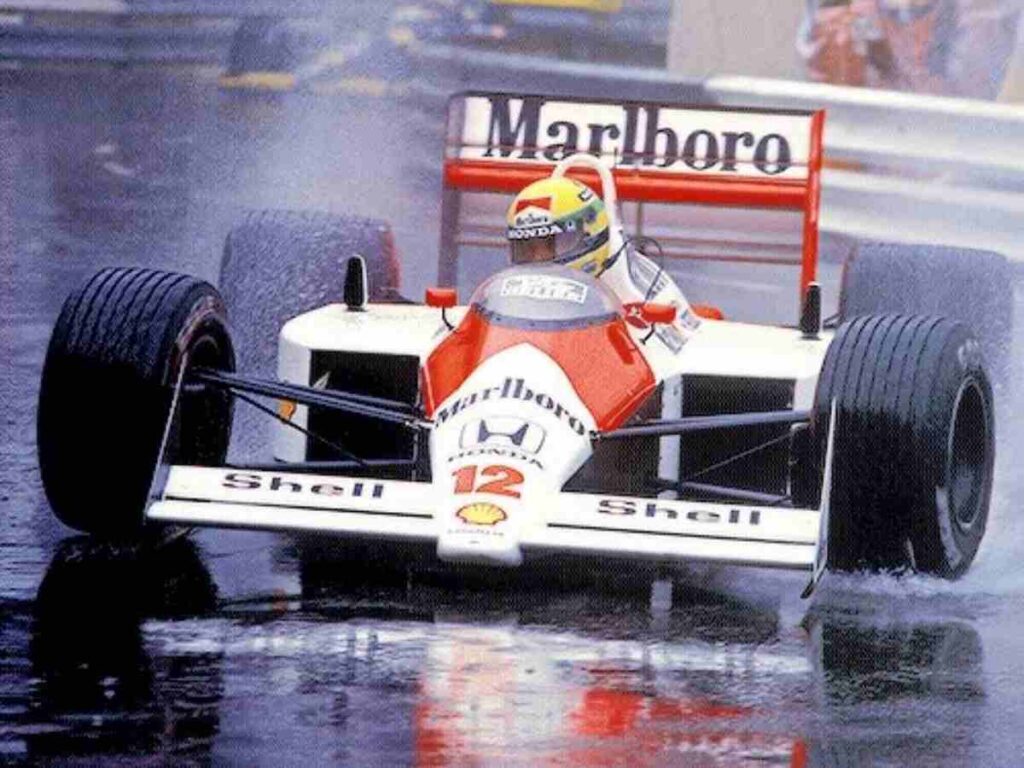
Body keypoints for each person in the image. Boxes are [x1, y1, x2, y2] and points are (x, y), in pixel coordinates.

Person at [505, 175, 699, 351]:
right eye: (528, 248)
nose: (539, 260)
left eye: (553, 245)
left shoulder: (631, 285)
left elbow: (684, 345)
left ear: (592, 235)